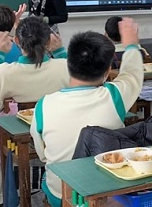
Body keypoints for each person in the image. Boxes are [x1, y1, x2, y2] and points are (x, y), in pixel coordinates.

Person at [31, 18, 143, 207]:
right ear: (108, 71)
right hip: (105, 194)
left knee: (47, 178)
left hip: (61, 195)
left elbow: (42, 155)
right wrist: (132, 45)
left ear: (68, 65)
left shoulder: (44, 105)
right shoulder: (114, 96)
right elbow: (132, 73)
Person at [0, 17, 69, 112]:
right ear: (48, 41)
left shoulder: (2, 73)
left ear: (16, 40)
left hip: (10, 126)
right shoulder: (66, 68)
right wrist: (60, 52)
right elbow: (80, 88)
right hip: (54, 125)